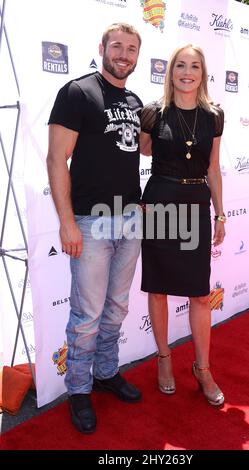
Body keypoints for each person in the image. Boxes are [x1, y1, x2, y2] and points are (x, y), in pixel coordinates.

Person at [47, 23, 143, 434]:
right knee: (86, 314)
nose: (123, 54)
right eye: (117, 46)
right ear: (102, 48)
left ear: (138, 56)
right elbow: (56, 159)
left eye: (131, 49)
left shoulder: (138, 102)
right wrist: (67, 222)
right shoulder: (77, 92)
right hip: (90, 221)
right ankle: (79, 390)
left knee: (117, 307)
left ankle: (106, 372)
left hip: (132, 219)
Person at [140, 44, 225, 405]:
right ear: (170, 72)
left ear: (202, 73)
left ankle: (202, 368)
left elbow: (213, 167)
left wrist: (220, 213)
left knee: (200, 294)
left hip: (195, 204)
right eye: (180, 65)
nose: (187, 72)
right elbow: (141, 151)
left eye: (194, 66)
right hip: (159, 203)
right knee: (157, 289)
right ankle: (164, 359)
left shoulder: (214, 116)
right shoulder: (153, 113)